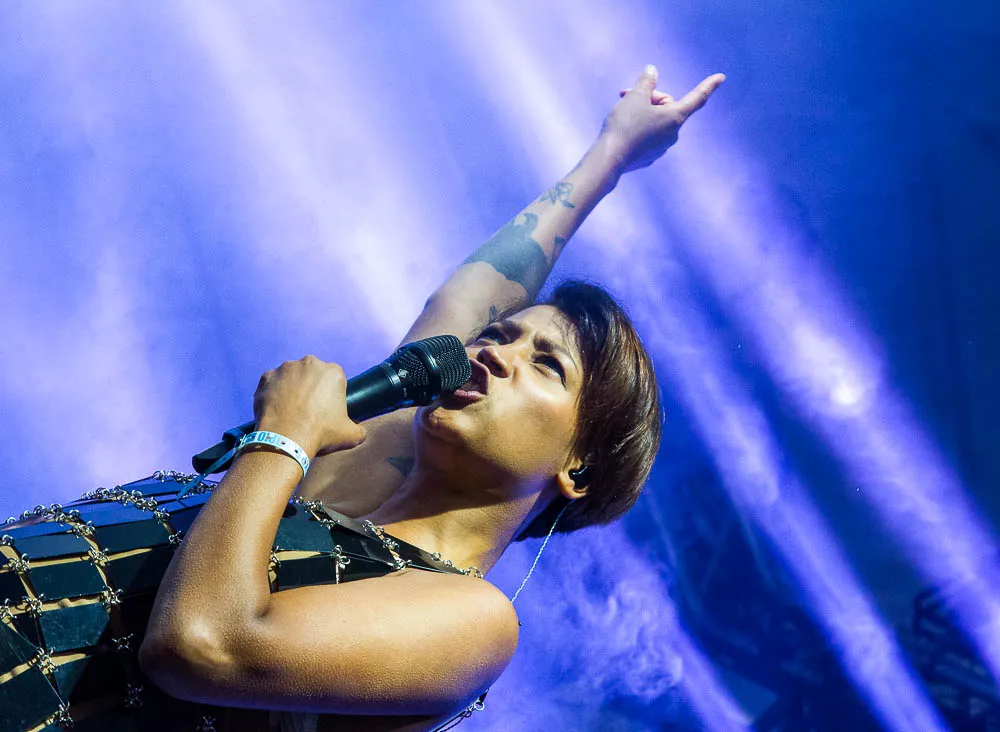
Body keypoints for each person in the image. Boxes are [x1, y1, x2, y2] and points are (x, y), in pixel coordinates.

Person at [0, 65, 723, 732]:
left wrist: (282, 439)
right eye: (500, 335)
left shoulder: (470, 620)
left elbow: (202, 645)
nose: (494, 352)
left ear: (579, 467)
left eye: (547, 365)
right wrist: (611, 151)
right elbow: (468, 298)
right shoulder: (358, 470)